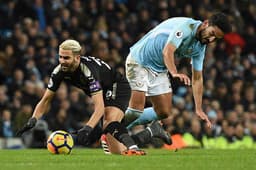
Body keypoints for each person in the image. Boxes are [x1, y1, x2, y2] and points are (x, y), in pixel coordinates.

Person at [16, 39, 170, 155]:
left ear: (77, 58)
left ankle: (136, 144)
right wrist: (33, 120)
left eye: (66, 58)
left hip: (117, 86)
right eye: (60, 57)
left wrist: (87, 128)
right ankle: (152, 131)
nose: (62, 61)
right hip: (104, 91)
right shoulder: (58, 72)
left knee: (108, 121)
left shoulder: (88, 72)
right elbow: (45, 100)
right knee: (117, 151)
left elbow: (99, 107)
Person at [124, 12, 232, 130]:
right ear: (206, 23)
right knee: (136, 110)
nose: (211, 39)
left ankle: (117, 126)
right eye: (212, 33)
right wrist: (174, 72)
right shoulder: (186, 27)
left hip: (159, 68)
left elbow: (197, 78)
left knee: (164, 112)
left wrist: (199, 108)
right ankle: (111, 126)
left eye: (216, 38)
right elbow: (167, 51)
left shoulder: (200, 47)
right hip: (140, 60)